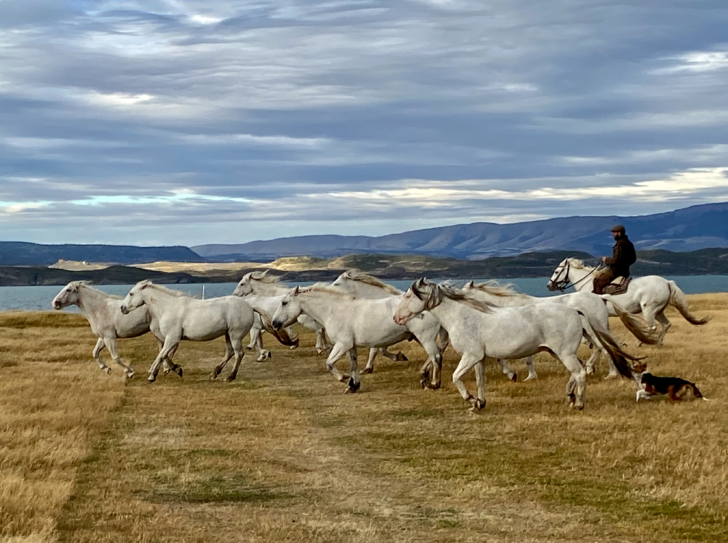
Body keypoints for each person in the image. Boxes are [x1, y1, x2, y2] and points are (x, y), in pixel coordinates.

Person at [593, 224, 636, 294]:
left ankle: (599, 298)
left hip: (616, 271)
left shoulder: (619, 244)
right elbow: (633, 259)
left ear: (619, 233)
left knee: (597, 280)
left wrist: (606, 260)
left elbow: (616, 260)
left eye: (614, 233)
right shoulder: (629, 243)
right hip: (625, 271)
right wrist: (625, 264)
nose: (613, 234)